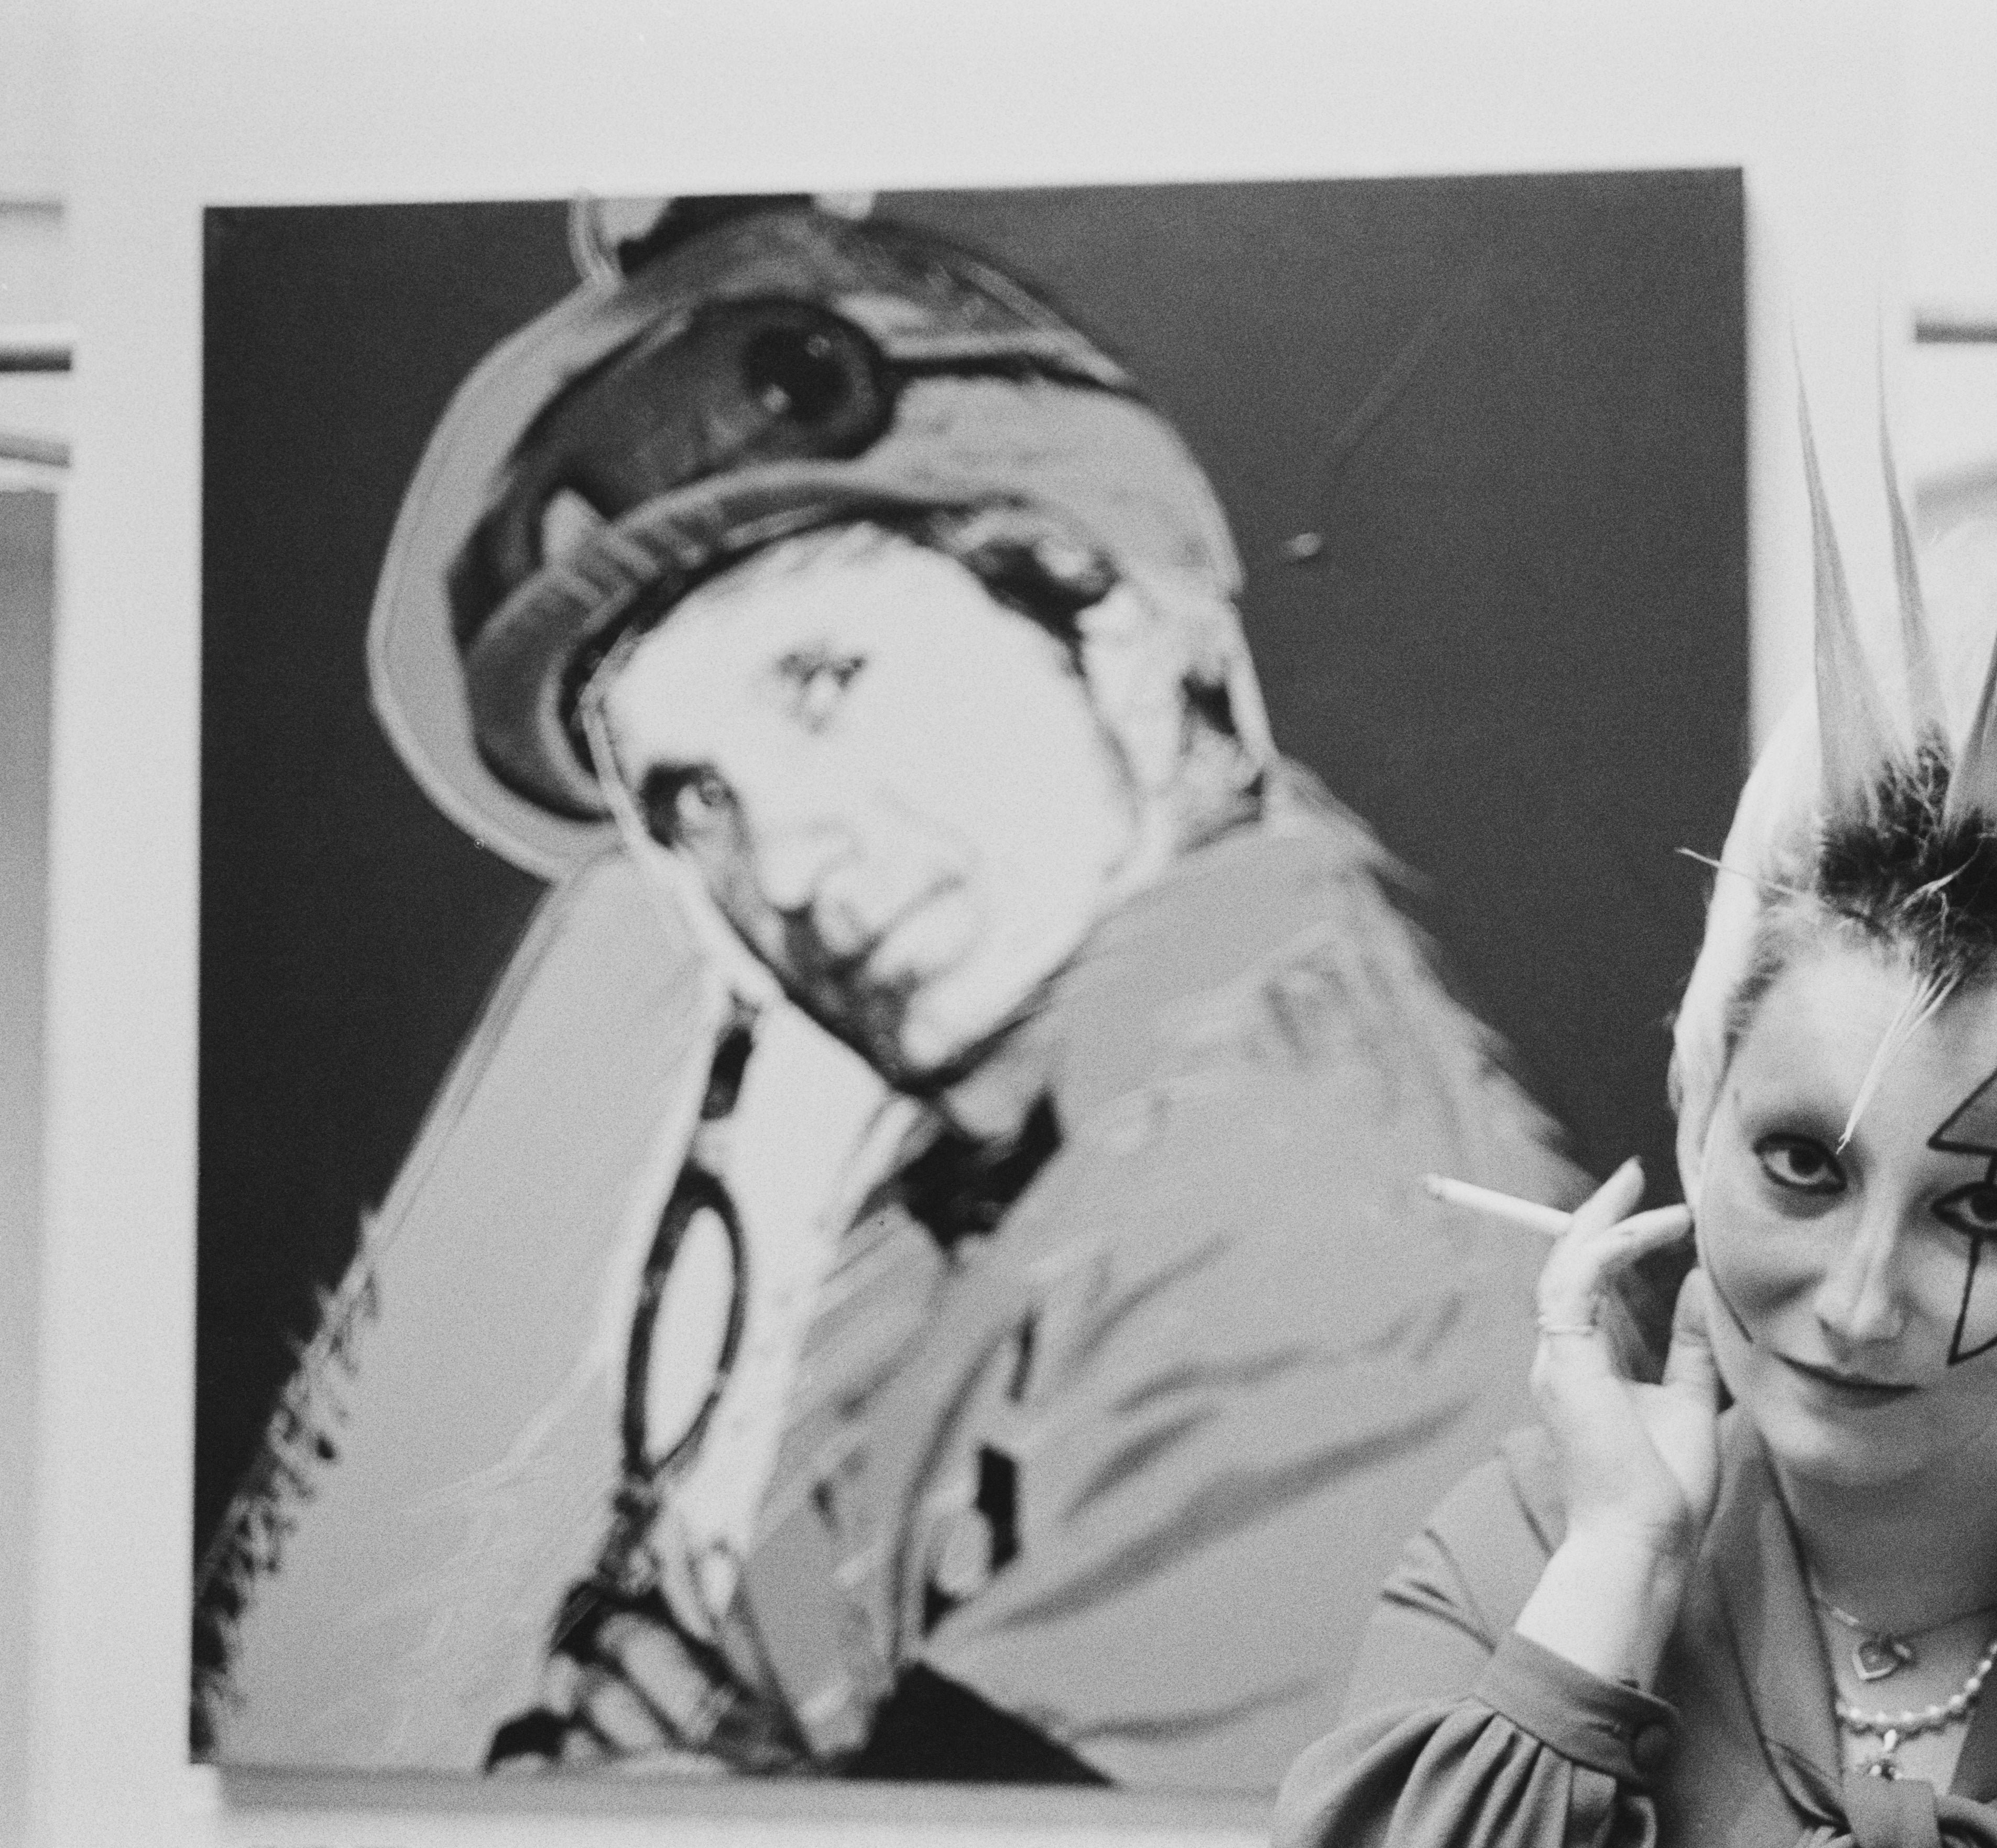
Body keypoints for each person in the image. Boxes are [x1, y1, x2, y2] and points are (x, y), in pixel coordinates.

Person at [197, 195, 1577, 1787]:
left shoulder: (1324, 1240)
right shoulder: (974, 1200)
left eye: (824, 683)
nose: (782, 861)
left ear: (1110, 611)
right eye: (690, 801)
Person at [1274, 411, 1997, 1846]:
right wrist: (1619, 1568)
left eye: (1985, 1210)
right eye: (1802, 1165)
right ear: (1698, 1110)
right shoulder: (1510, 1559)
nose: (1857, 1298)